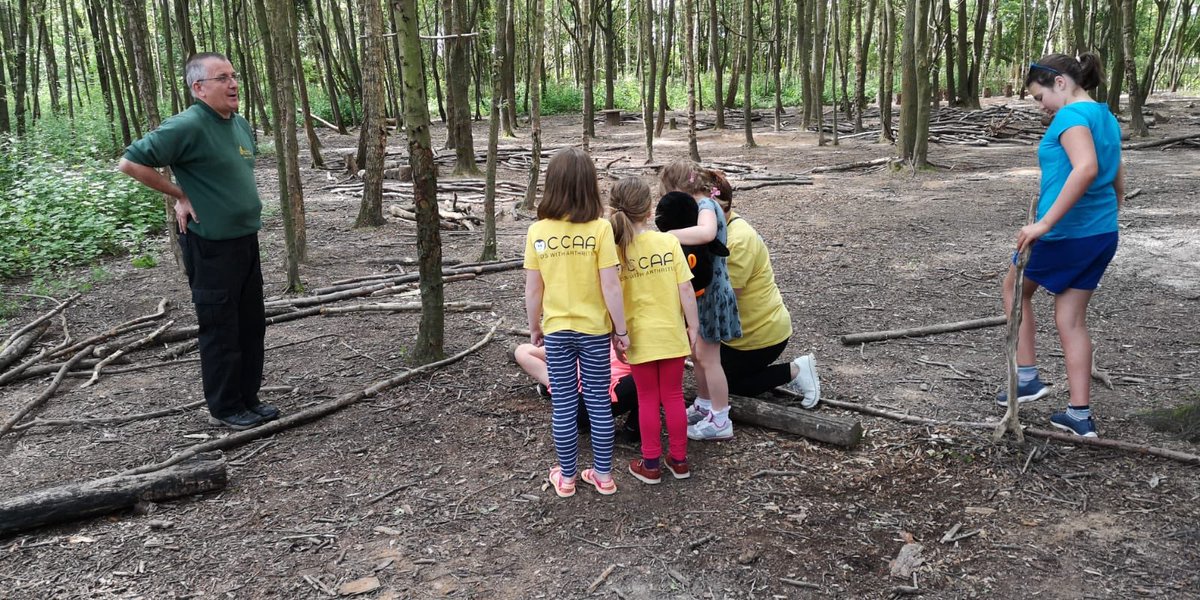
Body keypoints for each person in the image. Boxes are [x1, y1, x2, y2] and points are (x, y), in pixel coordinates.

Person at [118, 52, 276, 431]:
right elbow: (131, 162)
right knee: (220, 326)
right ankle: (226, 406)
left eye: (234, 76)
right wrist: (179, 195)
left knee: (250, 323)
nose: (233, 83)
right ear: (199, 88)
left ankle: (248, 398)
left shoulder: (238, 124)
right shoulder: (186, 125)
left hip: (244, 239)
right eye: (222, 78)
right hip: (210, 244)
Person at [999, 52, 1123, 439]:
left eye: (1039, 97)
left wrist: (1045, 223)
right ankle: (1079, 415)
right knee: (1071, 320)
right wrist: (1111, 211)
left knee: (1012, 288)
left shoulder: (1070, 116)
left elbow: (1086, 168)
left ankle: (1027, 376)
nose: (1042, 106)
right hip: (1100, 233)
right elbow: (1116, 172)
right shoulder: (1105, 116)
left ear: (1060, 83)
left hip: (1065, 233)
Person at [524, 147, 629, 497]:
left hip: (556, 331)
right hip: (595, 332)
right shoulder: (600, 230)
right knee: (598, 401)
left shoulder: (537, 231)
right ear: (589, 186)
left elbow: (533, 288)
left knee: (565, 403)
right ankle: (603, 475)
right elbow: (610, 285)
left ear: (551, 185)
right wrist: (621, 329)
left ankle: (567, 478)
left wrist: (534, 326)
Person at [703, 169, 821, 410]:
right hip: (738, 334)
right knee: (708, 371)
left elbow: (724, 299)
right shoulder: (716, 232)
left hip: (759, 336)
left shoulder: (738, 239)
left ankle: (796, 370)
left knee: (725, 383)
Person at [608, 177, 700, 484]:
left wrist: (615, 332)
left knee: (648, 399)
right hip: (672, 333)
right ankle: (680, 460)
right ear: (649, 211)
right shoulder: (668, 242)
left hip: (638, 337)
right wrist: (693, 325)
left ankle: (650, 465)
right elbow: (686, 289)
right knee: (673, 396)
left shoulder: (615, 250)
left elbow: (612, 295)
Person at [659, 159, 741, 441]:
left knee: (710, 359)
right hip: (700, 295)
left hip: (712, 293)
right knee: (698, 356)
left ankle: (721, 419)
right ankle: (705, 404)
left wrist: (666, 237)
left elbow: (706, 234)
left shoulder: (707, 206)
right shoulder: (699, 206)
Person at [512, 343, 640, 442]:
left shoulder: (595, 337)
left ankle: (552, 385)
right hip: (598, 404)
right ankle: (633, 429)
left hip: (569, 406)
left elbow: (523, 351)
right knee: (650, 378)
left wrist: (549, 378)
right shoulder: (636, 344)